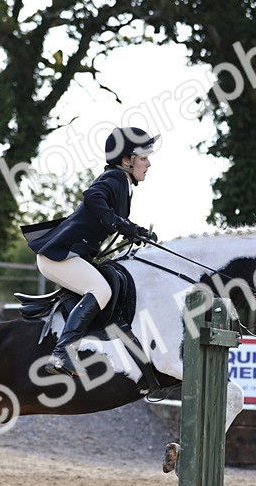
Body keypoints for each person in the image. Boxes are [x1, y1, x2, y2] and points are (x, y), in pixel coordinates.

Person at [26, 126, 159, 375]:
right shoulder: (115, 178)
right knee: (100, 289)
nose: (148, 164)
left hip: (70, 255)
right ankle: (62, 353)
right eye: (143, 158)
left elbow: (111, 215)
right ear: (126, 160)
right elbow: (92, 196)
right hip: (59, 256)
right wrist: (121, 224)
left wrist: (136, 230)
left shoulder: (123, 184)